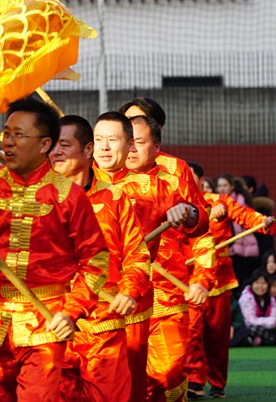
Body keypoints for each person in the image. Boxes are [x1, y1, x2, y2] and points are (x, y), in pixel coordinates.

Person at [0, 98, 109, 401]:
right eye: (5, 135)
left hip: (46, 321)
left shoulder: (69, 196)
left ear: (45, 144)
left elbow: (95, 261)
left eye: (19, 135)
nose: (9, 143)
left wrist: (71, 311)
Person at [93, 111, 209, 401]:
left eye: (136, 141)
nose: (127, 148)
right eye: (100, 140)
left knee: (164, 373)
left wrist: (187, 213)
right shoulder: (83, 182)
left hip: (158, 291)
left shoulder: (165, 179)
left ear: (154, 145)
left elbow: (200, 220)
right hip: (92, 301)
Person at [51, 115, 150, 401]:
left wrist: (130, 291)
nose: (56, 152)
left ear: (87, 150)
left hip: (104, 324)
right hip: (52, 320)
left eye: (64, 145)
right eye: (52, 145)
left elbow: (137, 254)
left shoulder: (114, 197)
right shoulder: (37, 199)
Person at [185, 161, 275, 399]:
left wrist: (260, 221)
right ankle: (194, 381)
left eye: (189, 176)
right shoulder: (177, 206)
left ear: (202, 181)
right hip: (189, 279)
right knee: (191, 331)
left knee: (217, 334)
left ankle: (217, 382)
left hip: (219, 277)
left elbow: (242, 214)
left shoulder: (220, 201)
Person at [216, 174, 260, 289]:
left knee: (241, 283)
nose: (222, 188)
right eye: (219, 186)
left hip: (242, 249)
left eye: (225, 185)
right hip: (229, 249)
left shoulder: (239, 201)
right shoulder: (216, 202)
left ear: (232, 186)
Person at [238, 270, 276, 347]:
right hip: (254, 327)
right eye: (257, 283)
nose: (260, 287)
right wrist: (273, 322)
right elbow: (249, 320)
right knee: (253, 330)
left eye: (263, 283)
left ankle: (264, 341)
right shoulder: (246, 297)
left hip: (269, 328)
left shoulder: (270, 297)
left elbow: (274, 315)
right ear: (252, 284)